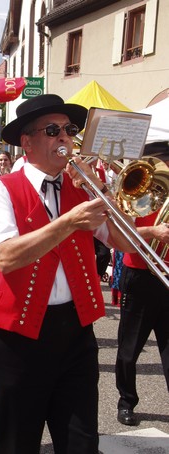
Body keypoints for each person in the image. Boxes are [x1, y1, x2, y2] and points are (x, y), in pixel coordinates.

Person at [0, 94, 135, 454]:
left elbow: (124, 243)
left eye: (69, 130)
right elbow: (3, 256)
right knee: (18, 443)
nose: (65, 138)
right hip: (19, 338)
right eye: (53, 130)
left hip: (76, 331)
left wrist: (104, 193)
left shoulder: (80, 189)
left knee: (81, 442)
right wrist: (67, 222)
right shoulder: (0, 189)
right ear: (27, 142)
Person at [115, 147, 169, 426]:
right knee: (129, 348)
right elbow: (120, 230)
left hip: (166, 277)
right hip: (140, 275)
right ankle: (126, 402)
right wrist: (154, 232)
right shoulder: (134, 189)